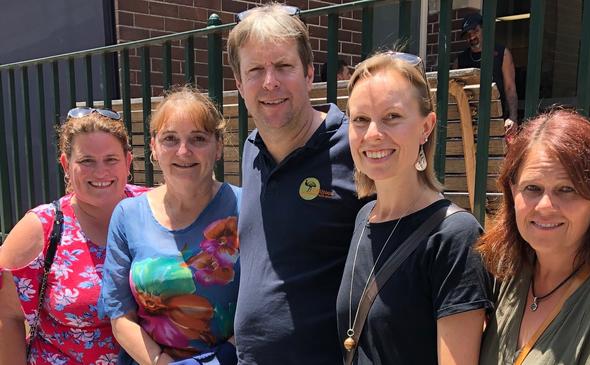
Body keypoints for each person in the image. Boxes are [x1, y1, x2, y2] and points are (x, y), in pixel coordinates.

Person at [226, 4, 366, 364]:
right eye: (255, 70)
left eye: (283, 66)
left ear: (308, 74)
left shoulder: (355, 147)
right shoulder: (251, 149)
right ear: (240, 85)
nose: (270, 81)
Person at [335, 51, 492, 364]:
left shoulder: (455, 236)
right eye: (361, 120)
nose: (373, 134)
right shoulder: (364, 217)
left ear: (426, 127)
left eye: (392, 117)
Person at [478, 109, 590, 364]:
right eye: (532, 188)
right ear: (513, 192)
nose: (545, 206)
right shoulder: (507, 275)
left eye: (567, 189)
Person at [99, 86, 240, 365]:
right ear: (153, 147)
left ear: (219, 145)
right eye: (170, 139)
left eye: (198, 138)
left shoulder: (246, 208)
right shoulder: (128, 215)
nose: (183, 151)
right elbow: (120, 315)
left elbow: (264, 306)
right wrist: (161, 362)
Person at [0, 107, 148, 365]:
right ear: (66, 165)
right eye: (87, 161)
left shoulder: (156, 209)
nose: (100, 172)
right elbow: (6, 315)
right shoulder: (41, 227)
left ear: (127, 162)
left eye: (111, 159)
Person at [454, 12, 519, 137]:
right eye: (468, 34)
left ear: (484, 29)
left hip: (497, 120)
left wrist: (513, 118)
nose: (472, 37)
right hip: (468, 124)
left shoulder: (502, 54)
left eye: (475, 31)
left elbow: (510, 88)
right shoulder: (460, 60)